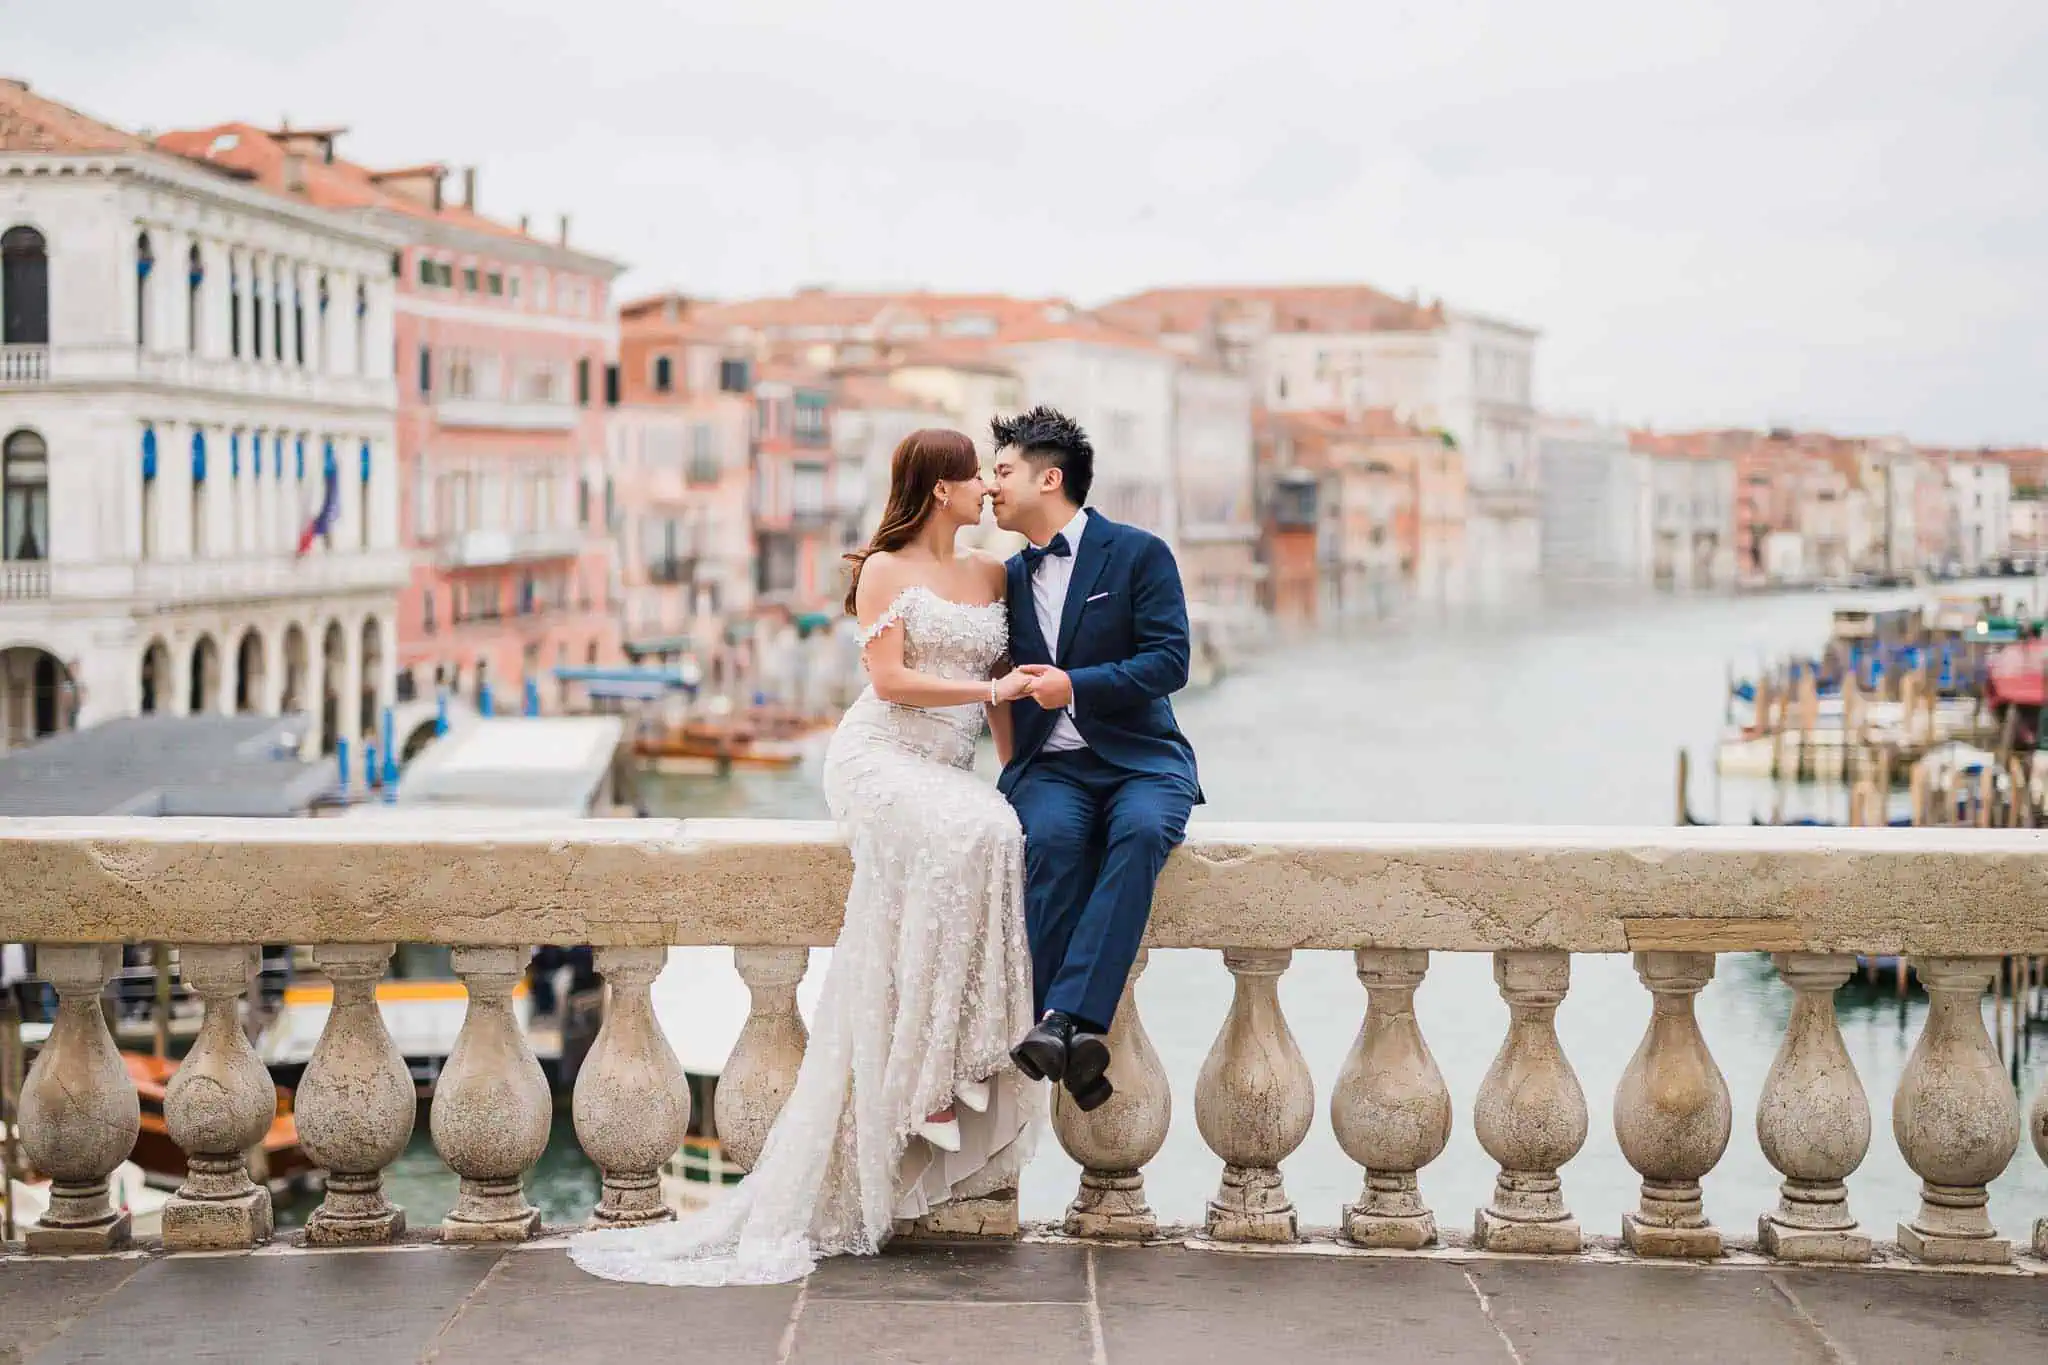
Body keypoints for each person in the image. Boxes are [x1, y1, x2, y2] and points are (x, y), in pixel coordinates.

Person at [571, 428, 1040, 1287]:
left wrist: (1024, 770)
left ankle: (944, 1071)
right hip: (878, 760)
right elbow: (892, 682)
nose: (987, 488)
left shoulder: (994, 574)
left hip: (948, 767)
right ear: (941, 488)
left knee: (1003, 830)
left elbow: (1007, 702)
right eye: (976, 474)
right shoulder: (884, 573)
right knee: (975, 836)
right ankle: (926, 1082)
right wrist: (988, 691)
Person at [987, 407, 1202, 1112]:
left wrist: (1076, 684)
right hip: (1052, 767)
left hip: (1142, 760)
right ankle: (1076, 1040)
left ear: (1049, 478)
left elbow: (1170, 661)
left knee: (1140, 834)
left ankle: (1059, 1021)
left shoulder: (1139, 553)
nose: (992, 486)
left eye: (1004, 470)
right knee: (1045, 840)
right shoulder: (1008, 577)